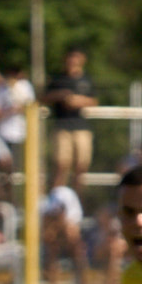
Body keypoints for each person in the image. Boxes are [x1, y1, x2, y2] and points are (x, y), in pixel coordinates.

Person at [44, 47, 97, 194]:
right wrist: (61, 96)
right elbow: (43, 97)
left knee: (82, 165)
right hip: (62, 126)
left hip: (81, 126)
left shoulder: (87, 79)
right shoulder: (57, 79)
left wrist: (79, 101)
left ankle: (77, 199)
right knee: (62, 164)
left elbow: (93, 100)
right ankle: (57, 198)